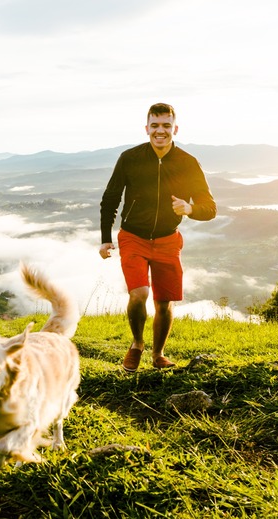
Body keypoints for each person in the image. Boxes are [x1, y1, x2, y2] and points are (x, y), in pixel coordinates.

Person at [99, 103, 216, 372]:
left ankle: (158, 354)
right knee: (139, 293)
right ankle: (137, 344)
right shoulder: (130, 158)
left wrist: (190, 209)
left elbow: (209, 207)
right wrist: (106, 237)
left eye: (165, 125)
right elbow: (110, 199)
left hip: (167, 239)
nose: (160, 131)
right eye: (155, 125)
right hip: (133, 237)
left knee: (164, 303)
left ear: (175, 128)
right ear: (147, 128)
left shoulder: (188, 162)